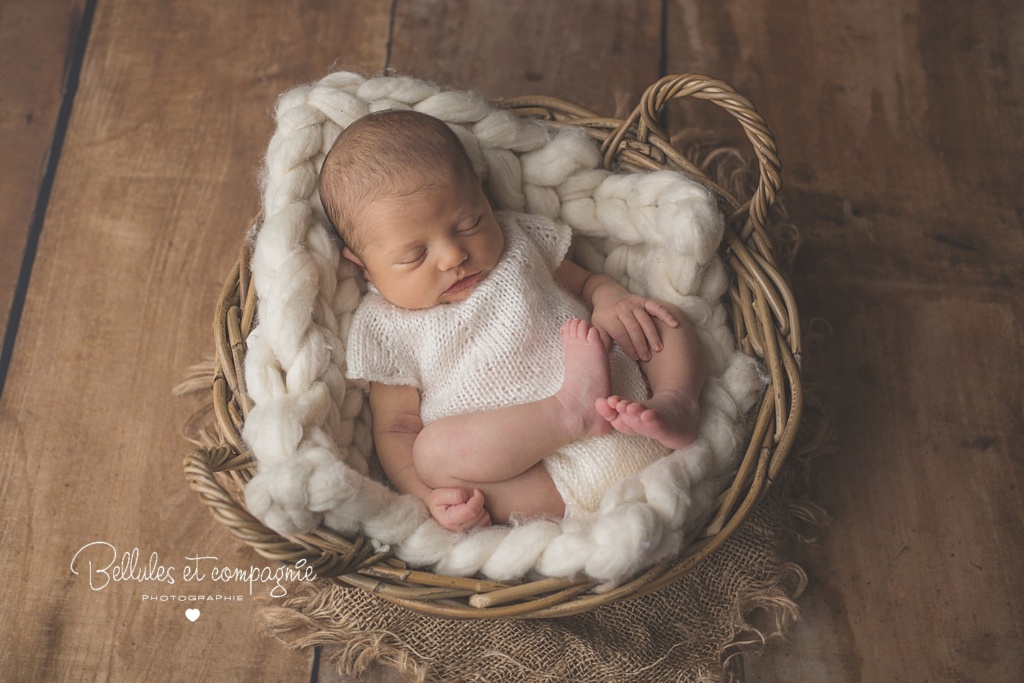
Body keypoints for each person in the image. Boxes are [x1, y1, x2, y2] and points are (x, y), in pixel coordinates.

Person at [318, 110, 706, 533]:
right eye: (414, 256)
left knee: (660, 318)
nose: (453, 256)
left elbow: (590, 282)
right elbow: (395, 430)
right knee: (430, 454)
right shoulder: (385, 326)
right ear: (363, 267)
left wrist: (611, 301)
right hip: (545, 484)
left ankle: (678, 401)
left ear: (484, 197)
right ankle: (565, 412)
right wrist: (427, 496)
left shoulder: (519, 241)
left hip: (635, 410)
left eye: (470, 223)